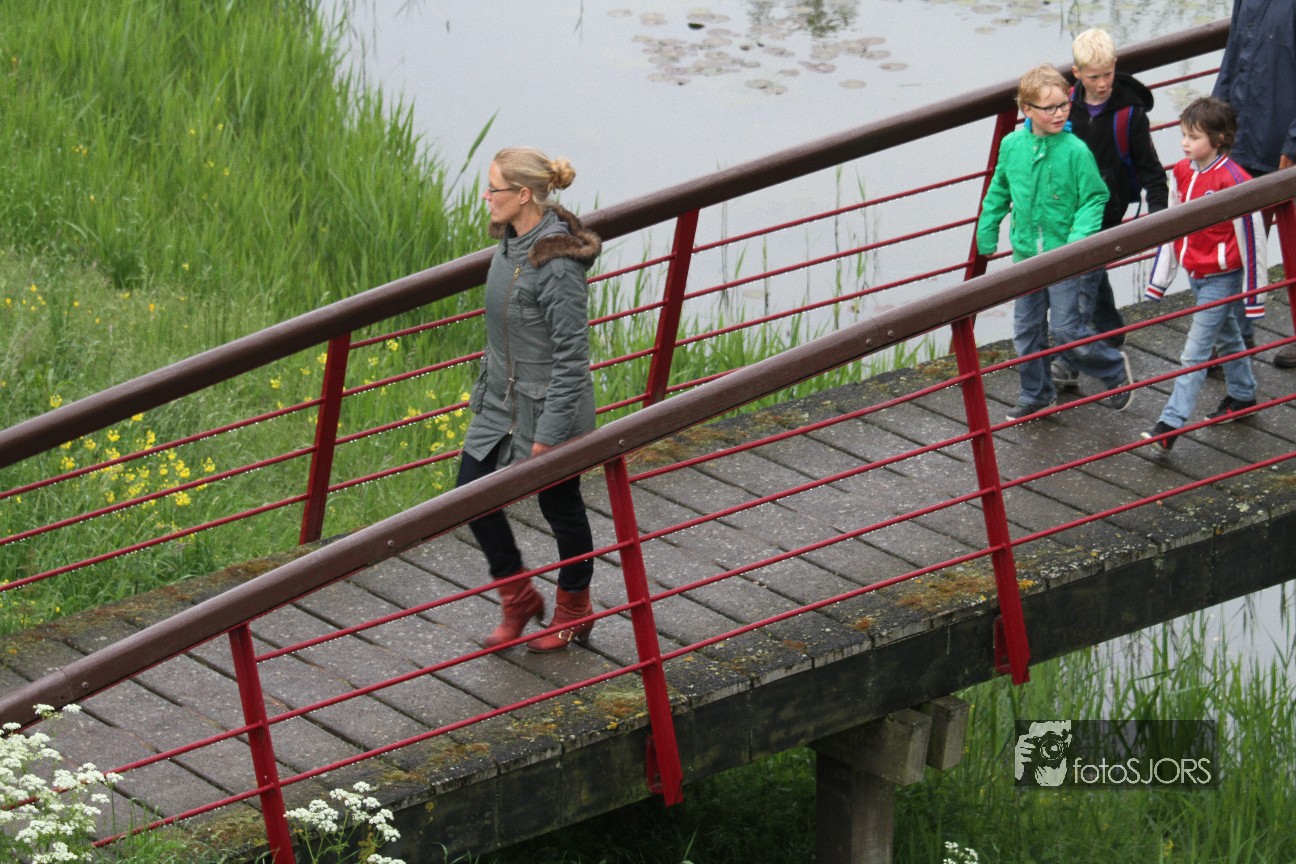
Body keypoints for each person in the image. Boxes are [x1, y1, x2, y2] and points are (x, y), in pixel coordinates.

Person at [456, 147, 601, 652]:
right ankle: (517, 597)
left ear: (522, 195)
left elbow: (572, 358)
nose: (485, 196)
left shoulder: (557, 264)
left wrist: (550, 433)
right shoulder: (510, 244)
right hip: (503, 404)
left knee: (560, 506)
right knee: (470, 495)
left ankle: (575, 607)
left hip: (549, 409)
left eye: (493, 188)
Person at [976, 64, 1134, 421]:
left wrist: (1077, 242)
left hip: (1065, 259)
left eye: (1064, 105)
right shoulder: (1012, 146)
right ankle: (1036, 393)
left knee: (1065, 329)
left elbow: (1095, 196)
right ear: (1027, 109)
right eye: (1049, 108)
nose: (1060, 113)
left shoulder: (1075, 151)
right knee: (1026, 332)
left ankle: (1113, 369)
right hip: (1027, 257)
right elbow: (999, 189)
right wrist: (988, 230)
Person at [1141, 98, 1266, 451]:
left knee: (1194, 352)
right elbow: (1173, 223)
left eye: (1193, 137)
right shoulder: (1182, 172)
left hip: (1222, 277)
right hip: (1195, 271)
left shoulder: (1234, 180)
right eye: (1183, 135)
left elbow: (1252, 239)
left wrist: (1255, 297)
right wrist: (1160, 280)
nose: (1184, 143)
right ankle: (1243, 393)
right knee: (1228, 337)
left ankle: (1169, 424)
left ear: (1218, 138)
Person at [1051, 28, 1170, 391]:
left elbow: (1150, 168)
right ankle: (1110, 331)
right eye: (1093, 77)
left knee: (1082, 283)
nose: (1102, 84)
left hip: (1106, 211)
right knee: (1091, 279)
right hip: (1067, 210)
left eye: (1107, 74)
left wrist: (1159, 215)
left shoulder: (1129, 114)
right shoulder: (1063, 107)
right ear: (1076, 73)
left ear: (1115, 66)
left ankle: (1068, 361)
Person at [1210, 0, 1296, 367]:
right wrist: (1213, 121)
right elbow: (1233, 56)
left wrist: (1294, 142)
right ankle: (1234, 340)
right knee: (1238, 247)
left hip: (1285, 149)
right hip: (1243, 138)